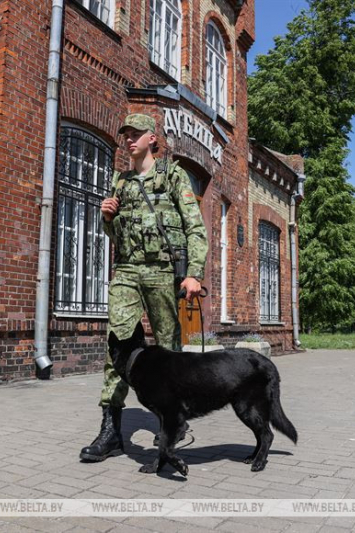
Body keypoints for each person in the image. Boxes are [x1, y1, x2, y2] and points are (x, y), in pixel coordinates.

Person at [79, 113, 208, 462]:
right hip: (127, 270)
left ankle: (173, 420)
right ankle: (111, 431)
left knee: (168, 347)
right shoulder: (120, 182)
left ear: (152, 138)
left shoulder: (172, 175)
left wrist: (194, 273)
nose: (129, 139)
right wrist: (107, 218)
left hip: (162, 271)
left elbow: (195, 227)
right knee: (117, 344)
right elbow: (115, 233)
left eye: (136, 133)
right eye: (126, 134)